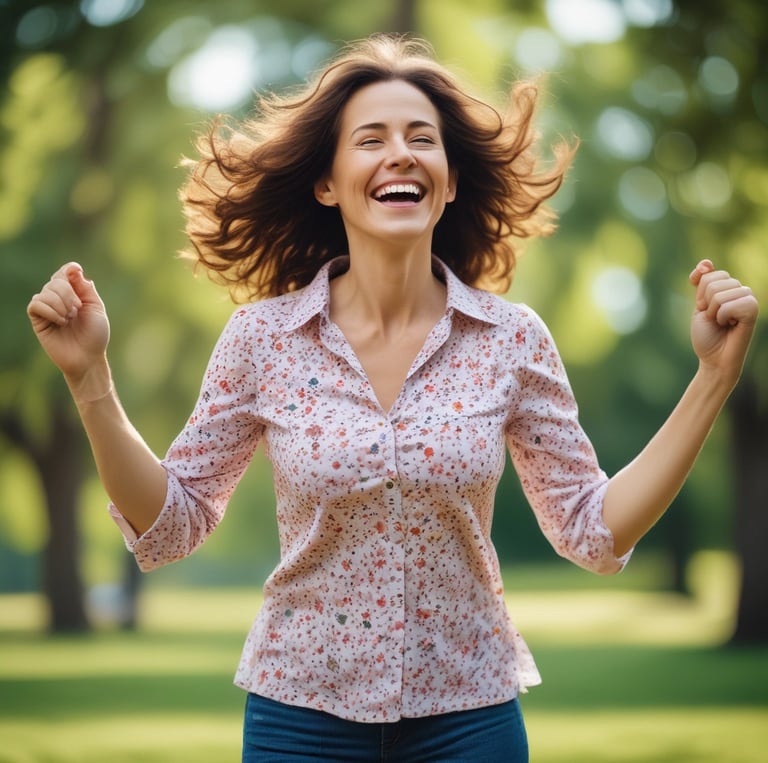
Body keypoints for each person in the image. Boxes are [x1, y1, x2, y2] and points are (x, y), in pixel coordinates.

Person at [27, 34, 758, 763]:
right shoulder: (262, 340)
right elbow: (170, 524)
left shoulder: (512, 340)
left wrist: (712, 379)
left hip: (469, 719)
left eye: (421, 139)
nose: (400, 154)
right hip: (299, 717)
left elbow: (592, 531)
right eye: (371, 139)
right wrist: (91, 380)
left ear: (449, 181)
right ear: (328, 183)